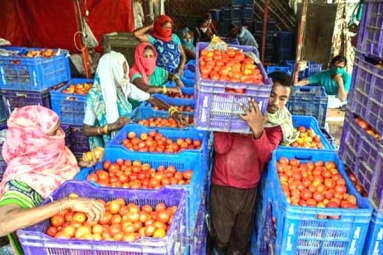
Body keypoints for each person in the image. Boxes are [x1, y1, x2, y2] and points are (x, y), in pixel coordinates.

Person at [210, 71, 297, 255]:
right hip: (222, 186)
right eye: (272, 94)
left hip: (249, 188)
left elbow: (267, 155)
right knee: (221, 235)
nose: (275, 102)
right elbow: (220, 148)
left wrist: (258, 130)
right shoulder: (239, 112)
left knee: (241, 238)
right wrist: (226, 122)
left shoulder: (277, 125)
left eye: (283, 98)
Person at [0, 105, 105, 254]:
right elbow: (2, 222)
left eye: (59, 128)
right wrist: (66, 204)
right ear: (35, 140)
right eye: (53, 133)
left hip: (72, 235)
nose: (60, 135)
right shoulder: (21, 180)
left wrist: (82, 165)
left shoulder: (51, 154)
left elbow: (59, 178)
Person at [83, 51, 186, 149]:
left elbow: (150, 98)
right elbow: (87, 130)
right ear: (111, 72)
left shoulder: (124, 87)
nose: (125, 77)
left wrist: (172, 111)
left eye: (125, 72)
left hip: (127, 140)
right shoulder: (94, 97)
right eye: (121, 73)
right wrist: (110, 127)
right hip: (106, 148)